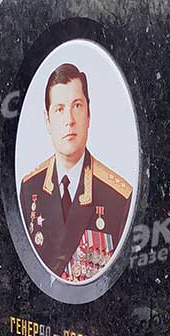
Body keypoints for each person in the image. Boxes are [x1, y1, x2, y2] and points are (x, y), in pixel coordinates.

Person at [18, 63, 132, 281]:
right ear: (47, 120)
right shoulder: (30, 187)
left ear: (89, 114)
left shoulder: (118, 196)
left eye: (77, 106)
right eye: (59, 109)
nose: (69, 120)